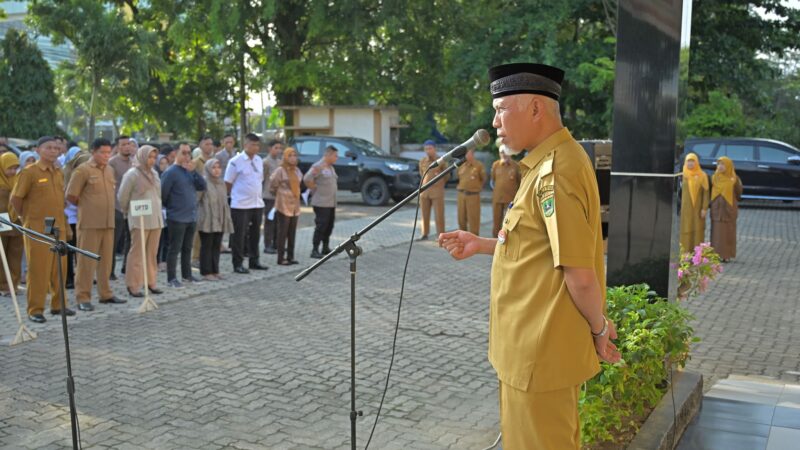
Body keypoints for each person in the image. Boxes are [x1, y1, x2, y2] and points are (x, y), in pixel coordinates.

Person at [438, 63, 620, 449]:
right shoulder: (548, 164)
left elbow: (579, 273)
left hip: (539, 355)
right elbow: (538, 246)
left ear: (536, 109)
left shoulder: (556, 173)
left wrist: (600, 329)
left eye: (501, 108)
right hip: (529, 352)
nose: (494, 120)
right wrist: (481, 244)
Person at [11, 136, 74, 323]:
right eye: (48, 148)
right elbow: (16, 199)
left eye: (56, 148)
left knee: (59, 269)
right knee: (38, 270)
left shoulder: (59, 171)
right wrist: (27, 218)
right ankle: (35, 309)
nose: (53, 151)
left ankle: (58, 306)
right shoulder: (30, 172)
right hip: (37, 229)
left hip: (58, 227)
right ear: (38, 150)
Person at [66, 138, 125, 310]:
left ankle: (105, 294)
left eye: (108, 152)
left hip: (108, 222)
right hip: (89, 223)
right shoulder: (83, 170)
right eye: (102, 152)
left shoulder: (109, 170)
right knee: (86, 262)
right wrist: (87, 207)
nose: (106, 156)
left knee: (106, 261)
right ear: (93, 151)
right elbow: (71, 195)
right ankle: (82, 297)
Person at [118, 145, 164, 297]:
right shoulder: (132, 174)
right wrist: (128, 211)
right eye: (149, 157)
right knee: (137, 253)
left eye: (153, 157)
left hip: (156, 219)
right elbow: (122, 197)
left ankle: (150, 282)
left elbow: (158, 195)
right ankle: (133, 284)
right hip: (140, 219)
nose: (151, 160)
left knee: (152, 253)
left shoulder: (155, 174)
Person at [161, 142, 206, 288]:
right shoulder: (170, 172)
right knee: (174, 248)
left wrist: (194, 171)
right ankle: (171, 278)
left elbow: (203, 186)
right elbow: (163, 195)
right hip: (176, 217)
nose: (187, 156)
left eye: (189, 153)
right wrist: (173, 208)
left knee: (187, 248)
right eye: (184, 153)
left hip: (191, 216)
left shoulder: (189, 170)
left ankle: (187, 275)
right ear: (176, 154)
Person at [225, 133, 267, 273]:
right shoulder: (235, 161)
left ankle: (254, 260)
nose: (255, 147)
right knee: (239, 235)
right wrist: (233, 196)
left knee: (255, 234)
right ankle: (237, 263)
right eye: (252, 144)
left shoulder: (259, 160)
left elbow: (259, 180)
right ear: (245, 145)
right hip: (240, 204)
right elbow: (228, 183)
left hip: (257, 203)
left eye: (257, 145)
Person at [197, 158, 234, 280]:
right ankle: (206, 272)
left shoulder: (221, 183)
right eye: (214, 167)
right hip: (207, 218)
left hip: (219, 218)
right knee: (207, 245)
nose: (217, 170)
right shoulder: (203, 182)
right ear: (208, 168)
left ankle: (215, 270)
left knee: (216, 244)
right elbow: (197, 200)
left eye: (218, 167)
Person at [304, 145, 338, 258]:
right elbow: (307, 179)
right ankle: (314, 249)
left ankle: (325, 247)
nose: (336, 158)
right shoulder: (318, 166)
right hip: (321, 202)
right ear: (328, 155)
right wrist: (313, 187)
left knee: (329, 226)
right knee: (321, 226)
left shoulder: (330, 167)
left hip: (330, 203)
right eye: (335, 155)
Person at [270, 147, 302, 266]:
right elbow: (273, 184)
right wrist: (279, 193)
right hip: (283, 204)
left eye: (295, 155)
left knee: (292, 232)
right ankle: (280, 258)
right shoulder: (280, 170)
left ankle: (290, 256)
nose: (293, 158)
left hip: (295, 204)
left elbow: (299, 183)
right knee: (282, 232)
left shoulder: (297, 170)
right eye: (290, 155)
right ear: (285, 157)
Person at [109, 135, 134, 280]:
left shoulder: (134, 162)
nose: (127, 147)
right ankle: (110, 271)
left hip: (132, 208)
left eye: (129, 144)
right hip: (116, 207)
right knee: (113, 241)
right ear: (118, 147)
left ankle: (127, 267)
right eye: (124, 144)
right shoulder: (112, 163)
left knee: (131, 240)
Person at [710, 156, 743, 262]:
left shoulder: (734, 179)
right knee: (716, 234)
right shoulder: (714, 177)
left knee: (728, 232)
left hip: (729, 210)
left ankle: (726, 255)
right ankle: (715, 255)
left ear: (728, 166)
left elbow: (739, 193)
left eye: (723, 164)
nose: (720, 166)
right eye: (719, 164)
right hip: (717, 210)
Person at [0, 153, 23, 296]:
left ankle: (14, 284)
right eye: (10, 168)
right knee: (1, 255)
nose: (13, 171)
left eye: (15, 168)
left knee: (15, 254)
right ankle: (2, 285)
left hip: (16, 221)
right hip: (1, 220)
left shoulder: (18, 180)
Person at [418, 140, 449, 241]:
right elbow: (422, 174)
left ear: (434, 148)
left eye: (430, 148)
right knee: (424, 214)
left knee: (439, 215)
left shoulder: (441, 160)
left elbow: (447, 175)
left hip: (437, 192)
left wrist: (439, 183)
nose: (428, 151)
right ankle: (424, 233)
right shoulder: (422, 161)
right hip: (425, 192)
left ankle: (441, 236)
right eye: (426, 149)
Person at [679, 153, 710, 253]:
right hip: (685, 210)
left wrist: (704, 208)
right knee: (686, 231)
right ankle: (684, 255)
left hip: (697, 210)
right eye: (688, 161)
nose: (690, 164)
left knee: (698, 231)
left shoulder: (702, 175)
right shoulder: (682, 175)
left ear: (696, 162)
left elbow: (706, 193)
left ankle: (697, 256)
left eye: (692, 161)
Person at [490, 147, 521, 238]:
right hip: (497, 199)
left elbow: (520, 182)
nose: (504, 154)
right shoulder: (495, 165)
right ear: (499, 154)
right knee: (496, 222)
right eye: (501, 152)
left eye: (506, 152)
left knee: (509, 222)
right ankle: (495, 241)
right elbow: (492, 181)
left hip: (510, 200)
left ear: (510, 153)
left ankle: (509, 241)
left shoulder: (516, 166)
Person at [456, 148, 486, 235]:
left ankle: (474, 238)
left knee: (473, 219)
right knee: (461, 218)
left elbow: (483, 179)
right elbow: (459, 178)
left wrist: (476, 187)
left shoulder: (479, 165)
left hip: (473, 195)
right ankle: (462, 237)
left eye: (467, 153)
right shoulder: (461, 165)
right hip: (461, 195)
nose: (465, 155)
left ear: (472, 154)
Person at [262, 139, 284, 254]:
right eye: (276, 148)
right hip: (268, 196)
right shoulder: (265, 162)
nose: (278, 150)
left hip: (279, 196)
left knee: (278, 221)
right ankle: (267, 244)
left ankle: (276, 243)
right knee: (269, 221)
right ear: (270, 149)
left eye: (280, 148)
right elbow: (262, 178)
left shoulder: (280, 162)